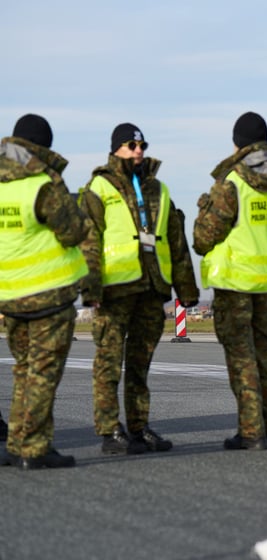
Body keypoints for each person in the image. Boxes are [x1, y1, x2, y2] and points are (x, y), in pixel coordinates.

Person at [79, 123, 199, 455]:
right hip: (115, 289)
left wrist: (185, 289)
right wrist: (91, 290)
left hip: (152, 285)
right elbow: (88, 242)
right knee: (108, 360)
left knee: (140, 363)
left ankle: (138, 426)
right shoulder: (98, 187)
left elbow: (176, 243)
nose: (139, 150)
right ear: (116, 148)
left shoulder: (160, 189)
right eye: (131, 145)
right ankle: (109, 430)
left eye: (142, 144)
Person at [194, 111, 267, 450]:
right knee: (265, 355)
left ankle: (251, 432)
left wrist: (203, 210)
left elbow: (203, 238)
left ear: (237, 143)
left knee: (242, 358)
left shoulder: (233, 182)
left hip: (235, 283)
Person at [0, 114, 89, 469]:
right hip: (48, 295)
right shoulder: (42, 183)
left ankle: (17, 443)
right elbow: (73, 231)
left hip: (10, 296)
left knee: (23, 371)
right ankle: (35, 449)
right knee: (43, 373)